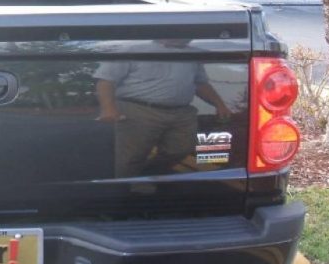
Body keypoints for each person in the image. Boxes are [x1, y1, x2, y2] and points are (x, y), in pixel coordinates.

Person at [94, 40, 231, 177]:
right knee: (132, 156)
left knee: (182, 149)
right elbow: (106, 81)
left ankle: (149, 176)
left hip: (182, 113)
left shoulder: (192, 54)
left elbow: (200, 84)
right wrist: (108, 109)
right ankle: (126, 190)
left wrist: (220, 105)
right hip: (138, 110)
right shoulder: (133, 49)